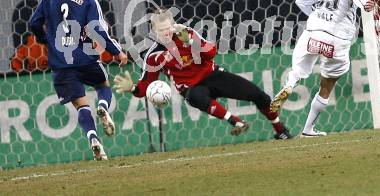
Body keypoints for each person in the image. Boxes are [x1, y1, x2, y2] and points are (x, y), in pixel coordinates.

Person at [114, 9, 291, 140]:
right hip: (192, 88)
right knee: (194, 96)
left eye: (168, 28)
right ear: (154, 32)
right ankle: (236, 121)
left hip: (213, 75)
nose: (166, 33)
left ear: (173, 25)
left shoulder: (186, 33)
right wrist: (133, 88)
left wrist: (191, 41)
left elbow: (211, 52)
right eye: (161, 31)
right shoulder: (153, 56)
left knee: (260, 96)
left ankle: (280, 130)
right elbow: (145, 87)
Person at [29, 0, 128, 160]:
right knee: (103, 86)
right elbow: (97, 30)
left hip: (61, 63)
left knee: (81, 105)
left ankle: (93, 138)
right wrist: (117, 51)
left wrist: (44, 39)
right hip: (85, 58)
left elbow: (33, 23)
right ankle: (102, 107)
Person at [270, 0, 374, 136]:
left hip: (313, 31)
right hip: (337, 38)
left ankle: (289, 85)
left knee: (299, 70)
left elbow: (301, 1)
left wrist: (319, 18)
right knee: (327, 85)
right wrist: (364, 4)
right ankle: (308, 128)